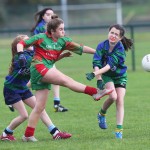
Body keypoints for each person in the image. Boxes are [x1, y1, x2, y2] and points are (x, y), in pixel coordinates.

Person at [16, 14, 113, 141]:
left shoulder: (63, 41)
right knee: (66, 80)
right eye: (61, 29)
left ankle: (28, 135)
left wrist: (99, 53)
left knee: (39, 107)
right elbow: (21, 43)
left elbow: (81, 48)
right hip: (38, 67)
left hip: (46, 69)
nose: (63, 31)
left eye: (63, 28)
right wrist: (21, 55)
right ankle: (95, 92)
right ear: (52, 31)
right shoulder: (40, 37)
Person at [0, 35, 72, 142]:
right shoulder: (21, 57)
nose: (30, 41)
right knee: (24, 115)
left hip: (23, 88)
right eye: (26, 40)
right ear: (20, 45)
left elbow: (46, 60)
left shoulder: (32, 54)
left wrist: (61, 55)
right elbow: (42, 61)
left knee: (39, 108)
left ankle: (55, 133)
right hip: (12, 89)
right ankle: (5, 133)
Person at [86, 24, 133, 139]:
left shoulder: (120, 49)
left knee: (120, 100)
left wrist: (94, 74)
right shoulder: (101, 46)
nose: (113, 36)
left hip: (120, 76)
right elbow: (96, 63)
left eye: (116, 34)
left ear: (120, 38)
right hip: (107, 76)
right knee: (113, 96)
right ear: (108, 32)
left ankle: (119, 130)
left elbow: (108, 66)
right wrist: (99, 79)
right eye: (112, 32)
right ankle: (101, 114)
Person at [31, 7, 68, 112]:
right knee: (34, 81)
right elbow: (36, 42)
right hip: (41, 59)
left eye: (51, 14)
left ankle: (57, 104)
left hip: (49, 58)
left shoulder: (54, 27)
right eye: (47, 14)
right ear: (43, 17)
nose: (50, 16)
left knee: (55, 80)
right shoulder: (40, 28)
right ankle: (16, 93)